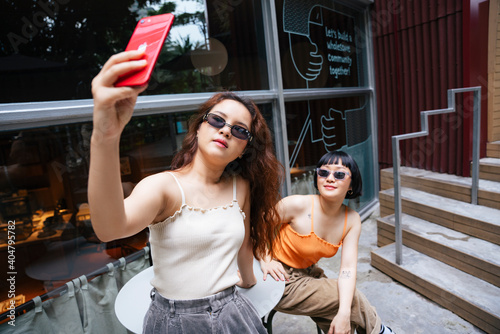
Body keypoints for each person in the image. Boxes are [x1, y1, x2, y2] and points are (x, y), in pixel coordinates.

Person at [88, 50, 283, 333]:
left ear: (244, 150)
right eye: (217, 120)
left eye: (240, 130)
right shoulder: (164, 186)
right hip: (173, 321)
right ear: (199, 128)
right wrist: (105, 137)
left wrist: (250, 280)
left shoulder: (239, 188)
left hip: (233, 310)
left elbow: (243, 246)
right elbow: (108, 228)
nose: (226, 131)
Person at [260, 151, 394, 334]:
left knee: (343, 317)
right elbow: (255, 226)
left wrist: (344, 315)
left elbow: (347, 269)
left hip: (309, 274)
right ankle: (381, 331)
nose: (330, 178)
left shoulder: (352, 220)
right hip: (279, 279)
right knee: (350, 299)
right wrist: (265, 257)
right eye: (323, 173)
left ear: (351, 185)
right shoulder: (297, 204)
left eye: (339, 174)